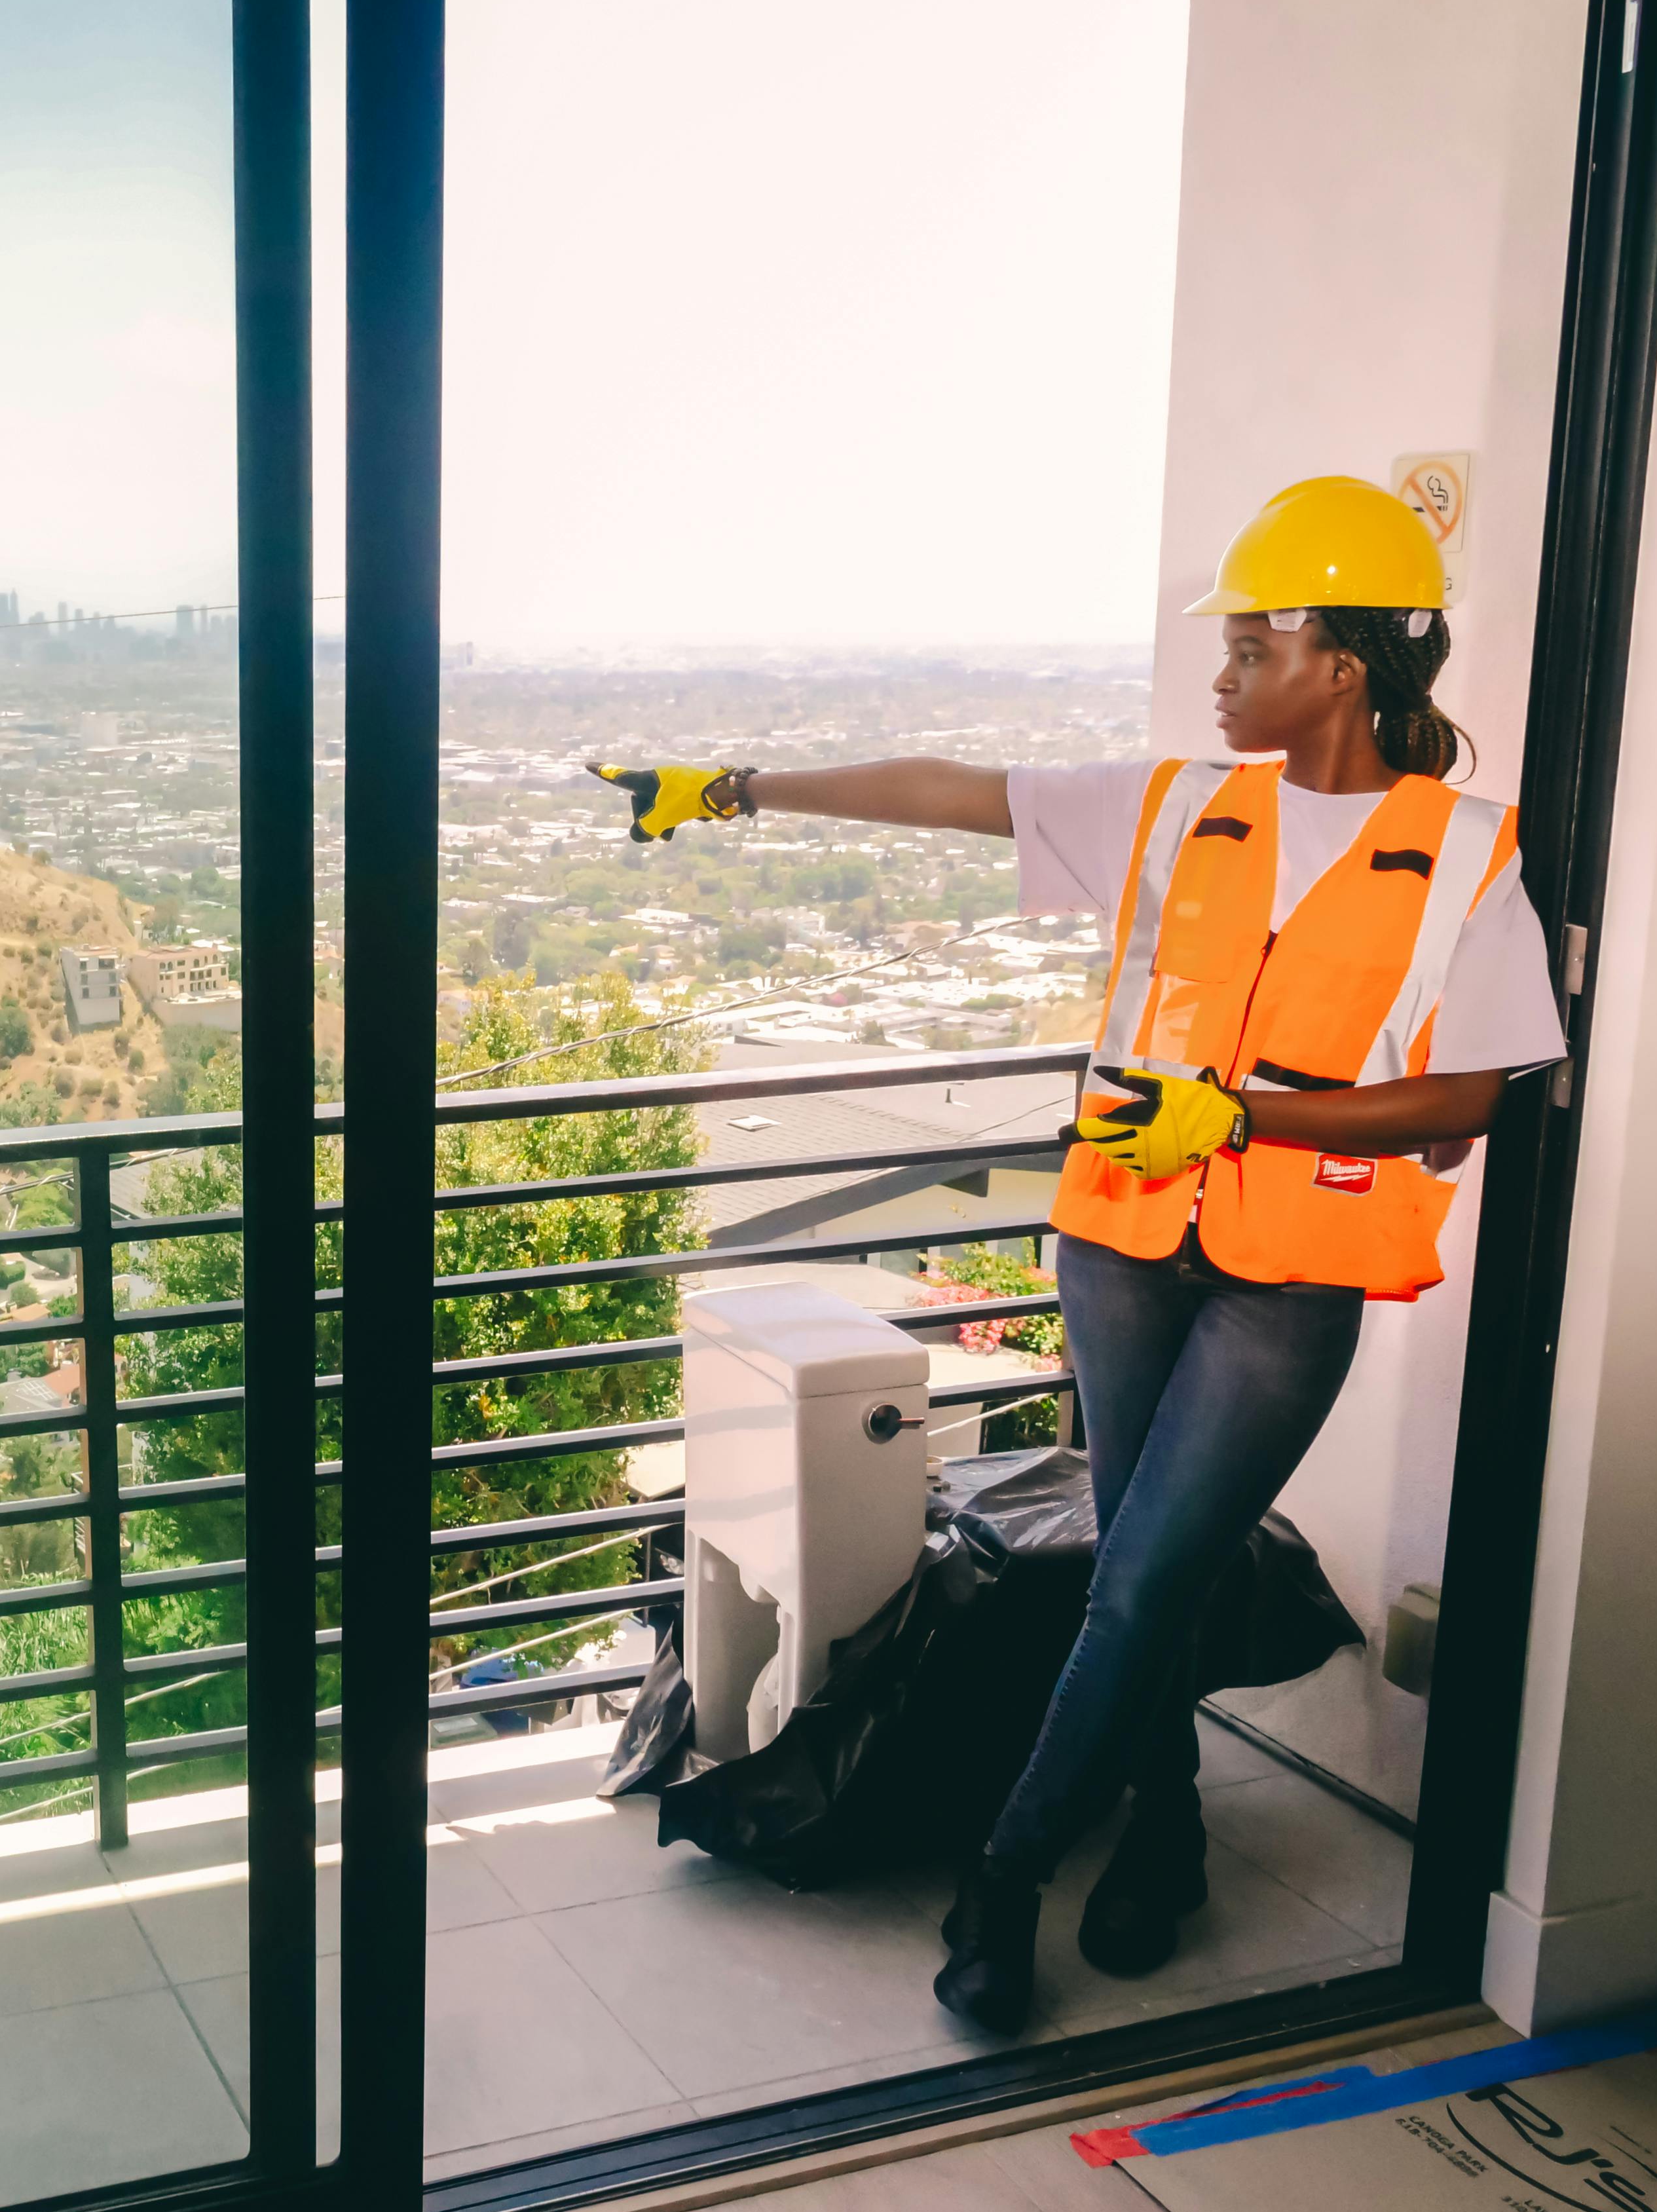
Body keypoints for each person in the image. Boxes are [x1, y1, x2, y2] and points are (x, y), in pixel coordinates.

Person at [588, 476, 1565, 2032]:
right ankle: (1165, 1833)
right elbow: (957, 790)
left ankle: (1008, 1874)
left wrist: (1239, 1118)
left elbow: (1477, 1088)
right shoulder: (1180, 799)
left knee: (1142, 1577)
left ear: (1348, 662)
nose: (1225, 674)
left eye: (1254, 644)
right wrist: (734, 787)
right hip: (1119, 1241)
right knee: (1139, 1570)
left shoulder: (1462, 855)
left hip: (1289, 1269)